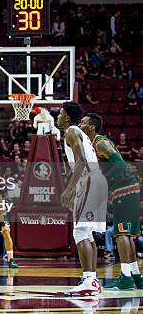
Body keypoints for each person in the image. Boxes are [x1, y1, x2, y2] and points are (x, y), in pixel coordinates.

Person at [79, 113, 142, 290]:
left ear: (91, 127)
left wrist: (102, 181)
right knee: (126, 234)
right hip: (126, 188)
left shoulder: (100, 143)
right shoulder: (94, 145)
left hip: (124, 188)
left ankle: (125, 277)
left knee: (120, 233)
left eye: (83, 122)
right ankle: (135, 275)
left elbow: (121, 165)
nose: (80, 124)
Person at [57, 102, 107, 296]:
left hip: (88, 180)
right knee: (86, 232)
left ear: (68, 117)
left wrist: (69, 189)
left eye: (60, 113)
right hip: (96, 180)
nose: (58, 117)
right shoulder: (80, 133)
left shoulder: (71, 130)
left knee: (79, 232)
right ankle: (92, 279)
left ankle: (88, 280)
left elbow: (81, 161)